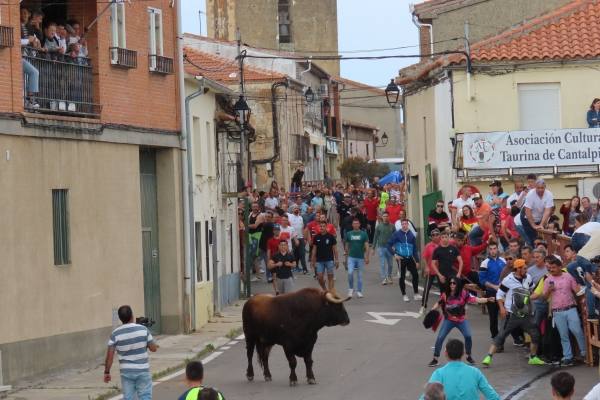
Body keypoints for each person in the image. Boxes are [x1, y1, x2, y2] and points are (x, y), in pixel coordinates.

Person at [481, 259, 545, 367]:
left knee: (535, 334)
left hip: (525, 314)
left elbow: (531, 291)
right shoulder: (508, 280)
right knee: (501, 336)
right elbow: (499, 295)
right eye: (524, 268)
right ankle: (488, 357)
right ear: (518, 269)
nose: (526, 270)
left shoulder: (528, 278)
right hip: (511, 314)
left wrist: (534, 296)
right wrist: (502, 308)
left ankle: (533, 357)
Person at [428, 278, 493, 367]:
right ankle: (435, 359)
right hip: (449, 320)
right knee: (440, 337)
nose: (452, 285)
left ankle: (468, 356)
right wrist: (432, 310)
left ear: (457, 284)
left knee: (468, 336)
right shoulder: (445, 294)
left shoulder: (464, 293)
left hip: (461, 320)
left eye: (454, 283)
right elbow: (439, 303)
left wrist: (487, 299)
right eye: (450, 283)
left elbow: (475, 299)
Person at [104, 305, 158, 400]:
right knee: (145, 397)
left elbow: (110, 357)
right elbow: (153, 348)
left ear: (120, 318)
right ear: (132, 316)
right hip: (142, 370)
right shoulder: (143, 329)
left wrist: (107, 372)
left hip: (126, 372)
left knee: (128, 397)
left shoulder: (115, 334)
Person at [541, 256, 586, 366]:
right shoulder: (547, 280)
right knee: (563, 335)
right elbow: (543, 298)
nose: (551, 270)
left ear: (560, 267)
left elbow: (577, 291)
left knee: (577, 331)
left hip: (570, 308)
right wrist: (549, 290)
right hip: (557, 310)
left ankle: (584, 352)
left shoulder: (568, 276)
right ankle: (568, 356)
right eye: (550, 268)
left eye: (554, 267)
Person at [421, 339, 499, 400]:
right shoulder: (475, 372)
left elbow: (426, 396)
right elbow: (494, 397)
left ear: (445, 353)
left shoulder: (439, 373)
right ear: (463, 353)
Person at [478, 242, 509, 340]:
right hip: (491, 292)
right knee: (493, 316)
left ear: (497, 249)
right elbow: (482, 280)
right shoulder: (484, 263)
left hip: (504, 292)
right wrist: (494, 287)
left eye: (494, 248)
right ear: (488, 250)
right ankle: (495, 337)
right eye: (490, 249)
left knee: (506, 315)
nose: (492, 251)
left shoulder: (504, 261)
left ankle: (503, 336)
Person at [388, 219, 421, 302]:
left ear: (408, 225)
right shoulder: (396, 234)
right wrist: (395, 254)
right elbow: (388, 245)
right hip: (401, 258)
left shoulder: (411, 235)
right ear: (401, 225)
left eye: (406, 224)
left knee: (415, 275)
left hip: (410, 258)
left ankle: (416, 294)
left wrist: (417, 261)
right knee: (402, 277)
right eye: (402, 224)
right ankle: (404, 295)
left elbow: (414, 249)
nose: (404, 225)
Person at [520, 179, 554, 246]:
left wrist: (541, 224)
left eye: (542, 188)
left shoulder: (549, 194)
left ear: (545, 187)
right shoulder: (530, 194)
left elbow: (547, 211)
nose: (540, 190)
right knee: (533, 239)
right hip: (526, 218)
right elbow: (528, 211)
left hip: (539, 217)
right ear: (535, 187)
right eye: (538, 188)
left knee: (540, 238)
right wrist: (533, 225)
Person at [345, 218, 369, 298]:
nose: (355, 225)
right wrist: (346, 258)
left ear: (359, 224)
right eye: (354, 223)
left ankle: (359, 291)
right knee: (350, 273)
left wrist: (367, 257)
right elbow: (347, 246)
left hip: (360, 257)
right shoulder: (349, 234)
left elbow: (367, 246)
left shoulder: (363, 234)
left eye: (357, 223)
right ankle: (351, 289)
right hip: (351, 257)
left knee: (360, 275)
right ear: (352, 225)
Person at [311, 221, 339, 290]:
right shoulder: (316, 237)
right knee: (320, 277)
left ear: (326, 227)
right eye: (321, 226)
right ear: (319, 227)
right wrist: (312, 261)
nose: (322, 228)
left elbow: (335, 249)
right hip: (319, 260)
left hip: (329, 260)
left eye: (323, 226)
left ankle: (330, 292)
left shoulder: (331, 237)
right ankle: (325, 290)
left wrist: (337, 260)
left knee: (330, 277)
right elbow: (314, 250)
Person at [421, 229, 442, 312]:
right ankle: (423, 306)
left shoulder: (443, 244)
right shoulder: (428, 246)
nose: (436, 236)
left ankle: (444, 306)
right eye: (433, 235)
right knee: (426, 288)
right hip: (431, 270)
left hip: (440, 270)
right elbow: (424, 257)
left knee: (443, 288)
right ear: (431, 237)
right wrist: (426, 267)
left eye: (437, 234)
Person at [372, 212, 395, 285]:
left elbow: (395, 237)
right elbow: (375, 237)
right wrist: (373, 248)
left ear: (389, 217)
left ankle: (389, 276)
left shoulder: (392, 226)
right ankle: (384, 278)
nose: (385, 217)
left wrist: (395, 246)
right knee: (382, 263)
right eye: (384, 216)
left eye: (387, 216)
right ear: (382, 217)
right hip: (381, 247)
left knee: (390, 264)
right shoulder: (379, 226)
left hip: (390, 247)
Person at [287, 205, 307, 274]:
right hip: (292, 238)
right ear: (292, 210)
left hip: (301, 238)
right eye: (295, 208)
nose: (296, 209)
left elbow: (302, 228)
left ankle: (305, 269)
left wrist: (304, 238)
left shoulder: (301, 217)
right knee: (293, 254)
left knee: (302, 254)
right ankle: (294, 268)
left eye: (297, 208)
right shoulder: (289, 216)